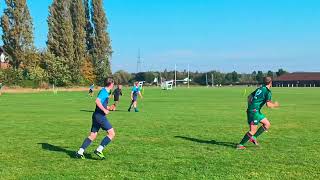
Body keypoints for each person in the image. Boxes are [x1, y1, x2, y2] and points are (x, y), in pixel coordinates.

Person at [76, 78, 115, 159]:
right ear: (111, 84)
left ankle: (80, 152)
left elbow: (101, 104)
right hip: (100, 116)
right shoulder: (104, 92)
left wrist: (108, 107)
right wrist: (104, 110)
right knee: (111, 133)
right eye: (113, 83)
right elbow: (97, 101)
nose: (113, 85)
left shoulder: (106, 91)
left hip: (96, 115)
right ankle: (99, 150)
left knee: (93, 135)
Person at [237, 77, 280, 150]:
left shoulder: (259, 89)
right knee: (253, 130)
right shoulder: (267, 92)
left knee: (267, 124)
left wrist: (250, 106)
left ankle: (253, 138)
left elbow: (249, 97)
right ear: (271, 82)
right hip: (254, 112)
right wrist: (275, 105)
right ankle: (240, 145)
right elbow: (268, 105)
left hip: (256, 111)